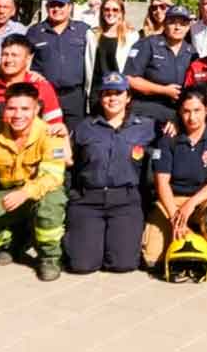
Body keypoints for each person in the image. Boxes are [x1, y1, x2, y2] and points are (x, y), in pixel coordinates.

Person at [0, 82, 68, 282]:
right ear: (4, 108)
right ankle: (18, 239)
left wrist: (26, 193)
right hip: (9, 193)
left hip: (44, 190)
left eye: (25, 109)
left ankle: (49, 257)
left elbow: (53, 176)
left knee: (50, 206)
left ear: (37, 109)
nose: (18, 115)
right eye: (12, 108)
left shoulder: (50, 134)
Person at [65, 72, 157, 273]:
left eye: (118, 93)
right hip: (88, 200)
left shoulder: (146, 127)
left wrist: (173, 125)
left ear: (128, 97)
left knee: (123, 264)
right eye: (107, 93)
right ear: (100, 97)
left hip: (125, 201)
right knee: (82, 265)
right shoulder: (84, 127)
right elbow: (69, 163)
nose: (112, 98)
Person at [141, 90, 207, 278]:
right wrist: (174, 219)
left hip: (203, 200)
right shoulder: (168, 139)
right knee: (152, 260)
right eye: (186, 111)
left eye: (197, 110)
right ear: (179, 112)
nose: (192, 117)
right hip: (172, 201)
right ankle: (188, 231)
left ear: (206, 111)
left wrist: (191, 204)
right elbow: (162, 183)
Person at [0, 34, 65, 151]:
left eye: (14, 55)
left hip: (33, 160)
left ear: (28, 59)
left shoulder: (43, 88)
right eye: (5, 54)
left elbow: (54, 128)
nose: (8, 60)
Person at [27, 0, 89, 131]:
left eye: (61, 5)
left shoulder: (83, 30)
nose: (56, 9)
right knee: (46, 136)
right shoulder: (34, 32)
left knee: (74, 138)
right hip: (44, 94)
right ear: (47, 7)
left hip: (75, 97)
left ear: (69, 7)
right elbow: (25, 60)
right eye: (53, 5)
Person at [126, 5, 196, 124]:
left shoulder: (192, 53)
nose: (177, 27)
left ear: (188, 27)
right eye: (172, 22)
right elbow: (130, 79)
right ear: (164, 23)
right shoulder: (148, 44)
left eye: (183, 23)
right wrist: (163, 90)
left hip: (176, 115)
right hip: (146, 111)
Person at [83, 0, 140, 116]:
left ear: (121, 13)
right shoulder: (91, 34)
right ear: (102, 11)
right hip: (97, 93)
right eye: (107, 9)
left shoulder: (131, 36)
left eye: (115, 10)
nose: (110, 13)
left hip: (118, 94)